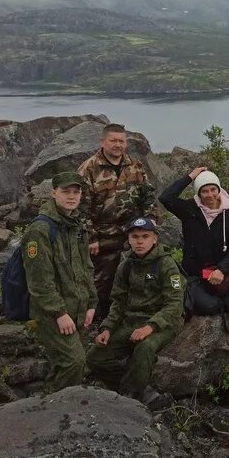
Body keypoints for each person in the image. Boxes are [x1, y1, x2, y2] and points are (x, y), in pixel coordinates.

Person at [86, 218, 185, 400]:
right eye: (135, 237)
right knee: (94, 357)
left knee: (144, 347)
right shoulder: (126, 266)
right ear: (129, 240)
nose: (140, 241)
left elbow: (174, 304)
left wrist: (150, 327)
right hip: (132, 321)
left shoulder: (166, 264)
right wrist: (107, 328)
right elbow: (118, 302)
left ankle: (133, 393)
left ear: (154, 239)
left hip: (163, 322)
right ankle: (133, 382)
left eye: (145, 236)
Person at [22, 170, 97, 392]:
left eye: (76, 192)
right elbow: (39, 280)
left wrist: (91, 303)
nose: (72, 196)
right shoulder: (40, 230)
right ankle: (55, 407)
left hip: (79, 308)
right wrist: (59, 313)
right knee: (73, 362)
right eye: (66, 191)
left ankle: (65, 405)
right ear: (54, 193)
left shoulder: (77, 225)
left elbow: (87, 268)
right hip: (54, 313)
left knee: (76, 363)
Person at [159, 167, 229, 321]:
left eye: (213, 189)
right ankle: (221, 302)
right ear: (198, 193)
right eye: (204, 191)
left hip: (225, 273)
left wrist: (222, 270)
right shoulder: (189, 209)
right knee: (208, 306)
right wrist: (191, 176)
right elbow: (166, 198)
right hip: (196, 274)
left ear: (219, 189)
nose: (210, 195)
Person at [78, 123, 157, 320]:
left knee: (137, 277)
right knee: (102, 283)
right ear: (103, 142)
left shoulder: (135, 166)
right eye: (113, 140)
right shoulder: (89, 168)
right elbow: (80, 207)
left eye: (121, 141)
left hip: (131, 232)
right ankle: (97, 320)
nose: (117, 145)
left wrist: (151, 222)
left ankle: (131, 316)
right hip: (102, 236)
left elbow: (148, 196)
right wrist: (90, 237)